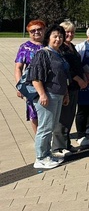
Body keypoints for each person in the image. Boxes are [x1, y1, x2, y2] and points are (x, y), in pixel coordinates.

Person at [28, 25, 70, 169]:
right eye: (55, 36)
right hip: (48, 95)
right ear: (48, 38)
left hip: (58, 94)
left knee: (51, 126)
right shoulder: (43, 54)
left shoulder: (59, 54)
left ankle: (47, 154)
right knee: (45, 128)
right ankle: (40, 158)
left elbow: (62, 76)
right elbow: (35, 77)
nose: (58, 39)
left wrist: (65, 93)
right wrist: (42, 94)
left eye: (60, 36)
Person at [53, 21, 85, 158]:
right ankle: (58, 147)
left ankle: (66, 143)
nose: (70, 34)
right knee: (62, 118)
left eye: (72, 32)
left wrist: (85, 76)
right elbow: (66, 69)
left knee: (69, 116)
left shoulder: (72, 46)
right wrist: (78, 78)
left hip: (74, 88)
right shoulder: (60, 49)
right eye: (66, 32)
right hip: (65, 87)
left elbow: (78, 64)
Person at [14, 19, 46, 134]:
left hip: (50, 84)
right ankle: (38, 137)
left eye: (39, 29)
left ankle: (48, 136)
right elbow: (18, 68)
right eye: (33, 31)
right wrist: (19, 86)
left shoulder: (50, 44)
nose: (36, 32)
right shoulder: (25, 47)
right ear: (29, 33)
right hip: (31, 85)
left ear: (44, 30)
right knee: (34, 112)